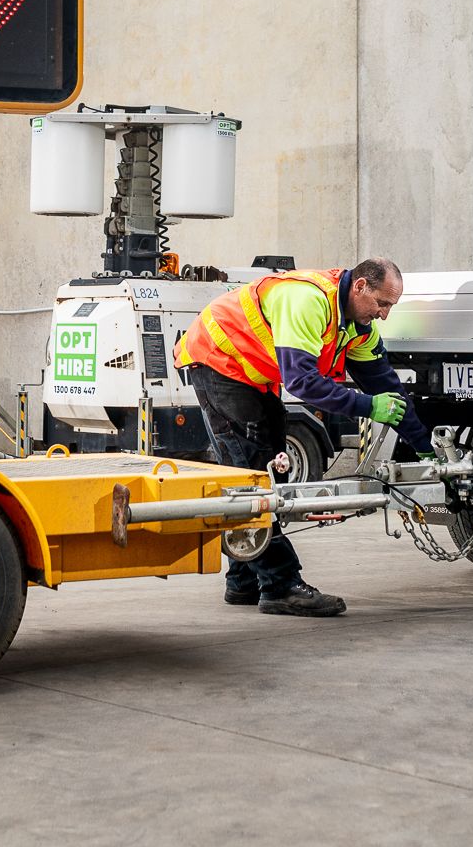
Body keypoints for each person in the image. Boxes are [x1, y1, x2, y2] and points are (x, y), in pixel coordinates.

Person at [175, 257, 428, 616]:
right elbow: (302, 382)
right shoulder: (308, 302)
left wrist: (425, 446)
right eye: (382, 303)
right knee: (253, 477)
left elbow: (388, 387)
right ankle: (280, 586)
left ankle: (244, 580)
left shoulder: (357, 327)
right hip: (219, 361)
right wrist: (368, 406)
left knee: (269, 464)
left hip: (251, 374)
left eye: (391, 306)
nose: (385, 314)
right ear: (360, 287)